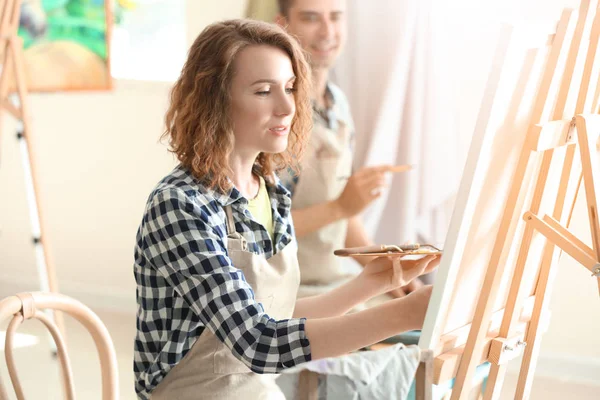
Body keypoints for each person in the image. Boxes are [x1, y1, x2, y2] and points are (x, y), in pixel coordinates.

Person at [133, 19, 439, 400]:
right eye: (263, 91)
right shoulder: (178, 207)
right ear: (214, 98)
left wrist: (375, 282)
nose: (287, 107)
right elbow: (259, 342)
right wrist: (405, 313)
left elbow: (281, 312)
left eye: (290, 88)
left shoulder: (271, 191)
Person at [275, 0, 423, 300]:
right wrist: (340, 207)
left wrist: (385, 268)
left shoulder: (338, 104)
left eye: (336, 18)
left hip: (335, 281)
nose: (327, 31)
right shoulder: (278, 112)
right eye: (311, 18)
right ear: (283, 26)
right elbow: (260, 229)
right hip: (288, 292)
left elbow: (345, 211)